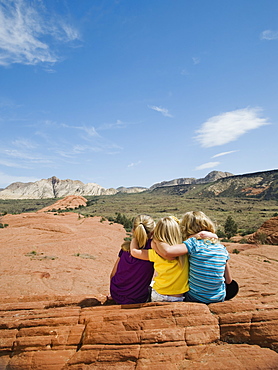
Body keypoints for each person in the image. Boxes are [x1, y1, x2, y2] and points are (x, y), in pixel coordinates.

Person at [152, 211, 236, 304]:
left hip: (194, 297)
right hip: (219, 297)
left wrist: (156, 240)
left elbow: (168, 252)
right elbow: (229, 280)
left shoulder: (193, 243)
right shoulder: (222, 248)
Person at [130, 216, 189, 302]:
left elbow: (134, 252)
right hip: (178, 296)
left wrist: (135, 238)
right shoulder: (185, 252)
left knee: (151, 284)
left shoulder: (155, 254)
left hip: (159, 294)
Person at [109, 214, 155, 304]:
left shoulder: (125, 248)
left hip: (116, 294)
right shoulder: (154, 249)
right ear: (153, 232)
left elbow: (112, 274)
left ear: (133, 230)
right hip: (138, 298)